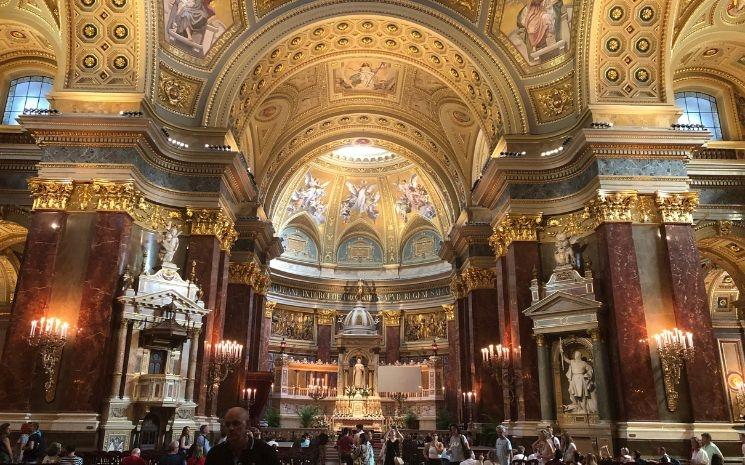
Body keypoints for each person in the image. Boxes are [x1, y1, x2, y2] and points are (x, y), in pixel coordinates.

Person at [205, 407, 279, 465]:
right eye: (227, 424)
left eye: (236, 423)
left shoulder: (265, 452)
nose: (231, 428)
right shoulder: (215, 453)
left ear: (248, 425)